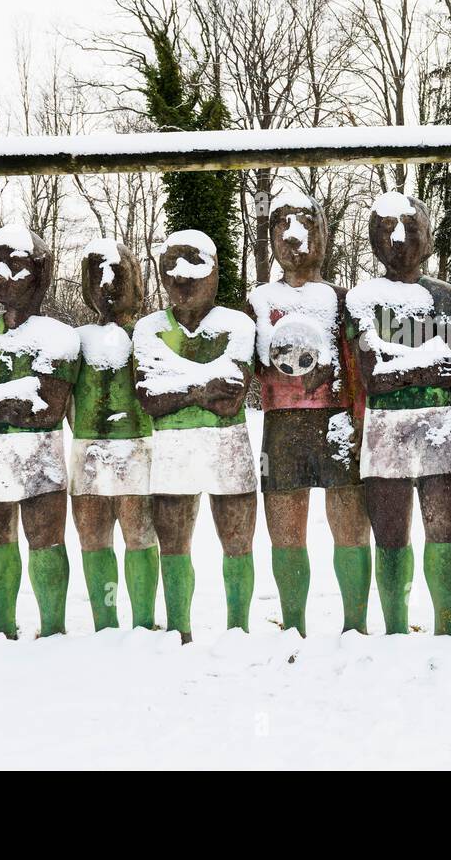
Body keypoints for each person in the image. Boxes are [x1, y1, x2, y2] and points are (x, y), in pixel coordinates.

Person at [246, 189, 371, 636]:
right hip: (281, 426)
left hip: (337, 422)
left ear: (324, 233)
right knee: (285, 528)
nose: (294, 236)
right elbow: (253, 364)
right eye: (282, 225)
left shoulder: (342, 298)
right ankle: (292, 622)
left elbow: (357, 366)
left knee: (351, 525)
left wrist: (358, 423)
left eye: (305, 224)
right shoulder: (260, 301)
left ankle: (355, 623)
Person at [346, 192, 451, 636]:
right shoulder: (363, 298)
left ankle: (447, 626)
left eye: (410, 229)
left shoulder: (445, 297)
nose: (398, 238)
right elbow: (373, 374)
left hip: (442, 428)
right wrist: (422, 363)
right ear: (373, 241)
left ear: (428, 237)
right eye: (386, 230)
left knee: (444, 533)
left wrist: (401, 362)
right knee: (391, 536)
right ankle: (395, 627)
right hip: (385, 433)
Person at [134, 230, 258, 643]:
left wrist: (179, 383)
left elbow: (230, 396)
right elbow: (150, 397)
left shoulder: (237, 324)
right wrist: (202, 386)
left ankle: (238, 628)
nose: (181, 278)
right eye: (170, 266)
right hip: (172, 449)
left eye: (193, 265)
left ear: (216, 271)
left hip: (228, 447)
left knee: (238, 541)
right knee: (173, 544)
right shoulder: (148, 329)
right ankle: (178, 630)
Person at [0, 224, 80, 638]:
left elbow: (46, 410)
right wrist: (11, 402)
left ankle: (52, 627)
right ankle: (1, 627)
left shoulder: (60, 337)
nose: (4, 276)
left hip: (41, 459)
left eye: (16, 266)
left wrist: (0, 403)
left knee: (46, 540)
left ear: (41, 272)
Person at [69, 240, 158, 632]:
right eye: (96, 273)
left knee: (139, 535)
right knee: (93, 538)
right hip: (87, 453)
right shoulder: (77, 339)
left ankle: (144, 620)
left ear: (135, 281)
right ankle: (104, 620)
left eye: (116, 273)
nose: (106, 283)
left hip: (137, 449)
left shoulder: (146, 335)